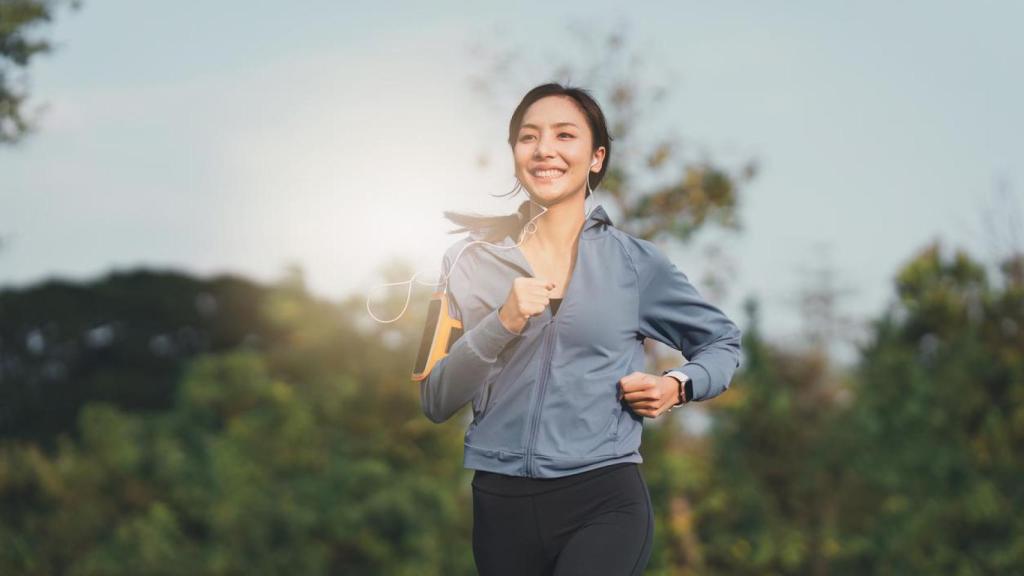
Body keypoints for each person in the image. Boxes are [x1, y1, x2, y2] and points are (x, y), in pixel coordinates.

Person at [420, 82, 743, 575]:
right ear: (514, 155)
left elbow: (722, 343)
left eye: (564, 136)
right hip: (499, 503)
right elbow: (436, 399)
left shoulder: (635, 264)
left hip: (603, 497)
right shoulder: (466, 262)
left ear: (595, 157)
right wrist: (501, 324)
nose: (544, 149)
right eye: (528, 137)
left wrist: (676, 385)